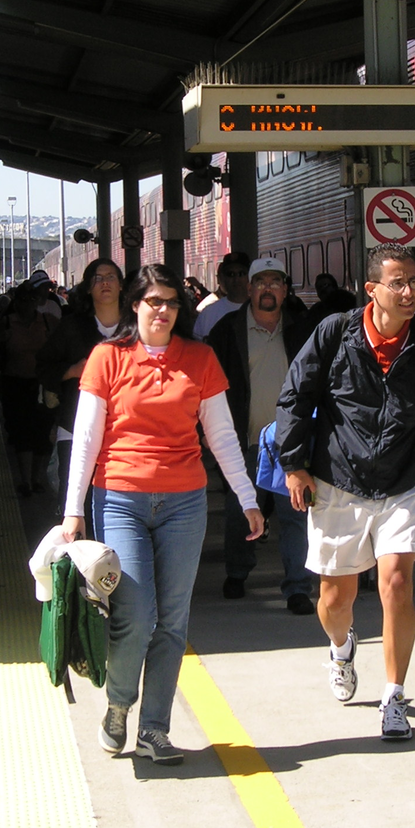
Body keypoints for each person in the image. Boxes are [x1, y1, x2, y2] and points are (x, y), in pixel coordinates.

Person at [275, 242, 415, 741]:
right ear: (372, 290)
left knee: (396, 584)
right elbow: (296, 395)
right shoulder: (335, 333)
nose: (410, 292)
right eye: (398, 283)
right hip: (338, 480)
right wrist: (294, 464)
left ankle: (394, 697)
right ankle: (341, 648)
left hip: (405, 480)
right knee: (334, 599)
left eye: (414, 282)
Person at [61, 264, 264, 764]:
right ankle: (118, 704)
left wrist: (247, 497)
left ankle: (155, 728)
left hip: (185, 502)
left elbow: (220, 435)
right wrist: (73, 511)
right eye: (153, 301)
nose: (163, 311)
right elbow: (86, 440)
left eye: (172, 302)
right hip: (119, 497)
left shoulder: (199, 359)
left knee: (173, 620)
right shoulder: (106, 358)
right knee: (136, 614)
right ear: (136, 305)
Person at [206, 257, 315, 611]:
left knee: (295, 514)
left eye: (275, 282)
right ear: (249, 289)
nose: (268, 288)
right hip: (247, 440)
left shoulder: (303, 329)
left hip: (292, 443)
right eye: (260, 282)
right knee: (243, 513)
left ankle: (297, 587)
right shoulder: (226, 331)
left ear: (285, 290)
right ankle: (237, 572)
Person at [38, 258, 126, 510]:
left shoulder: (136, 328)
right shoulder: (72, 327)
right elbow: (43, 366)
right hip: (76, 427)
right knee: (78, 502)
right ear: (88, 288)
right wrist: (72, 371)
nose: (104, 282)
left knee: (119, 502)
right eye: (97, 278)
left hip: (126, 431)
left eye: (110, 277)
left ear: (121, 285)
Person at [0, 283, 58, 496]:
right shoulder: (7, 323)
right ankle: (26, 482)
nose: (27, 305)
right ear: (16, 302)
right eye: (22, 300)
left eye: (31, 300)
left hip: (41, 385)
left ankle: (37, 478)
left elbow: (62, 347)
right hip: (15, 385)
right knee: (22, 433)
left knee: (42, 433)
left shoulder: (48, 322)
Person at [193, 251, 251, 339]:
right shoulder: (208, 313)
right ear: (222, 278)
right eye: (230, 274)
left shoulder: (263, 311)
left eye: (241, 274)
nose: (236, 279)